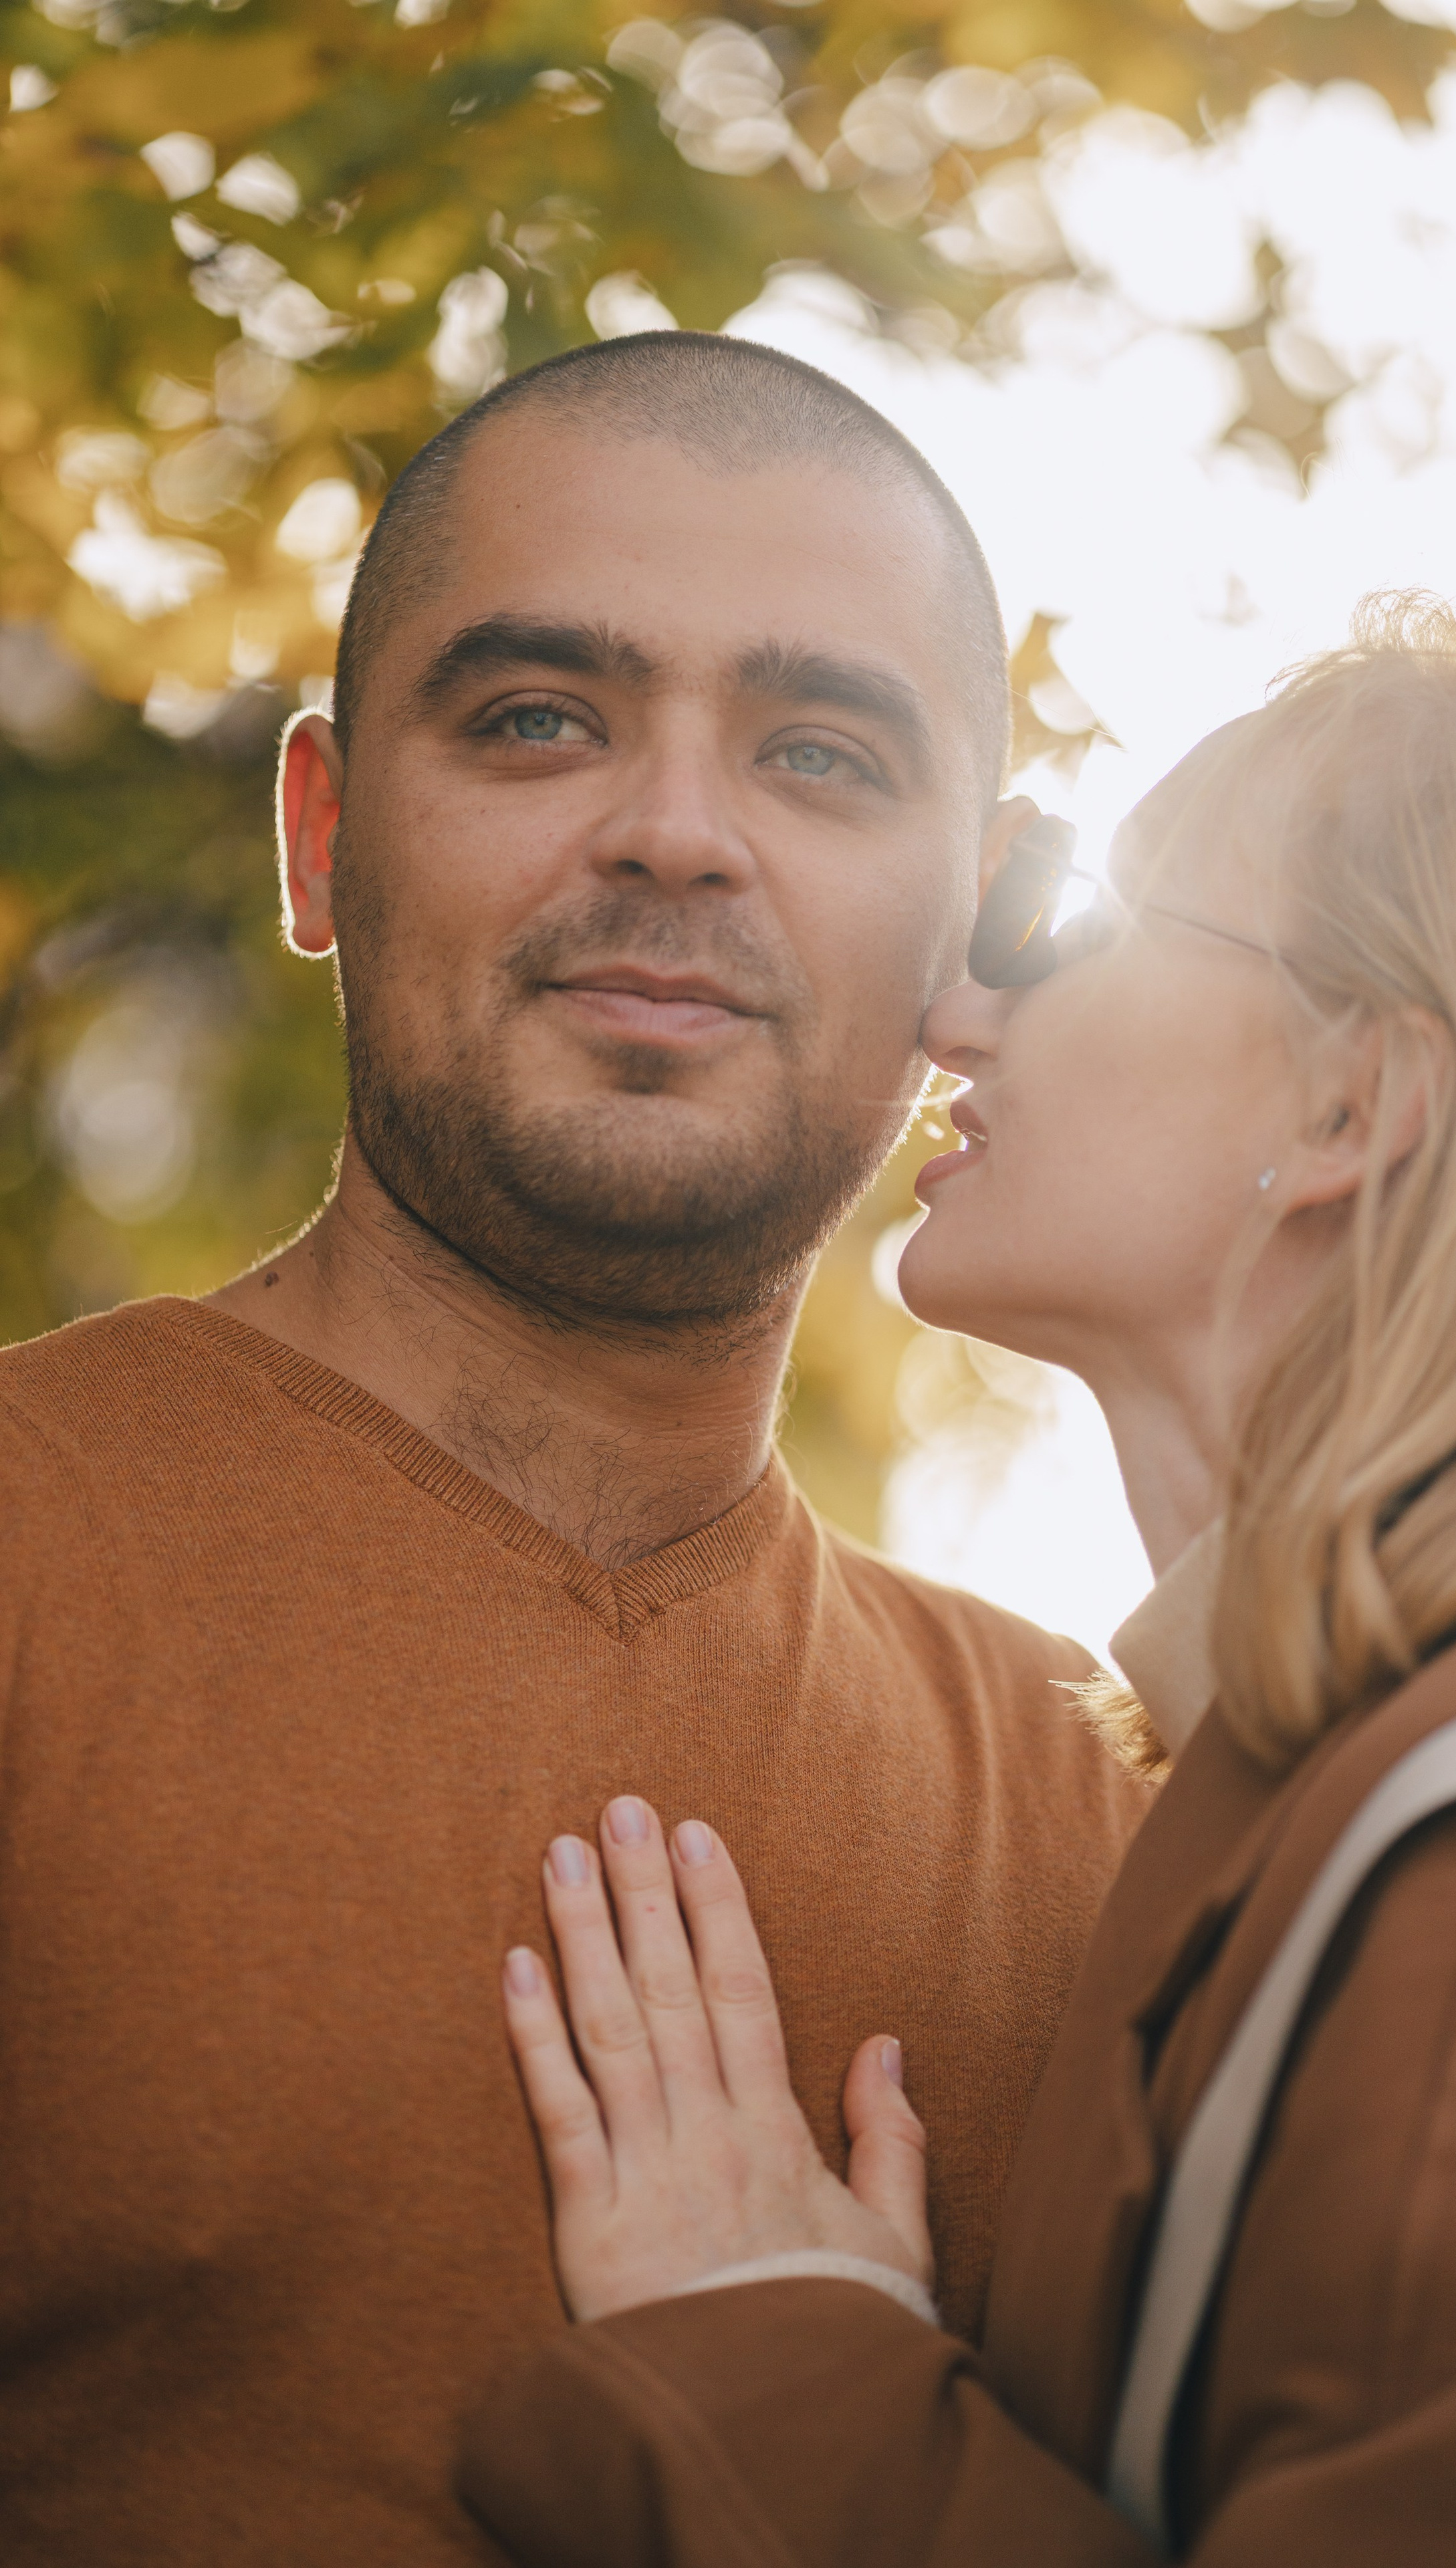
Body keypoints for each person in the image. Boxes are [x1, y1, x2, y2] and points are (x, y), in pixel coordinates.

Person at [0, 336, 1148, 2565]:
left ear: (978, 921)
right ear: (324, 834)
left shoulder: (1126, 1810)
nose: (677, 830)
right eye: (539, 718)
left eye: (819, 753)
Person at [455, 598, 1456, 2567]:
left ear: (1349, 1107)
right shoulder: (1303, 1798)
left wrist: (786, 2368)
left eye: (1078, 919)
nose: (956, 1010)